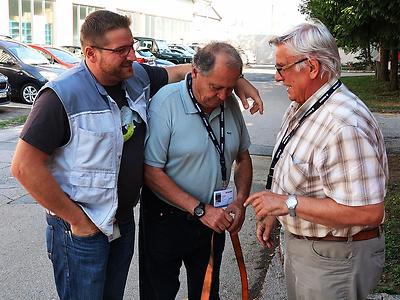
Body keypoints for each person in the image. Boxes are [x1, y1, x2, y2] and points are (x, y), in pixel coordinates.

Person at [10, 10, 263, 300]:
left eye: (131, 46)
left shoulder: (134, 78)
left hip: (121, 220)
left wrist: (236, 80)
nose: (132, 55)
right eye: (121, 50)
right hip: (81, 229)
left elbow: (184, 71)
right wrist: (77, 221)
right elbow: (23, 167)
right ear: (91, 53)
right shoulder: (61, 95)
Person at [244, 20, 388, 300]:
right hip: (313, 252)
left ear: (311, 67)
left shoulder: (344, 125)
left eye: (281, 68)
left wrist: (287, 204)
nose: (276, 77)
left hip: (335, 260)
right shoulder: (304, 105)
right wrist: (277, 213)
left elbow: (368, 212)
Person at [140, 42, 253, 299]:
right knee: (159, 293)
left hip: (214, 218)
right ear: (194, 73)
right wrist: (200, 209)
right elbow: (151, 171)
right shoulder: (165, 104)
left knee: (207, 292)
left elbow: (243, 159)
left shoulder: (228, 103)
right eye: (216, 87)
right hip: (166, 217)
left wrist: (240, 200)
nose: (223, 96)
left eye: (229, 87)